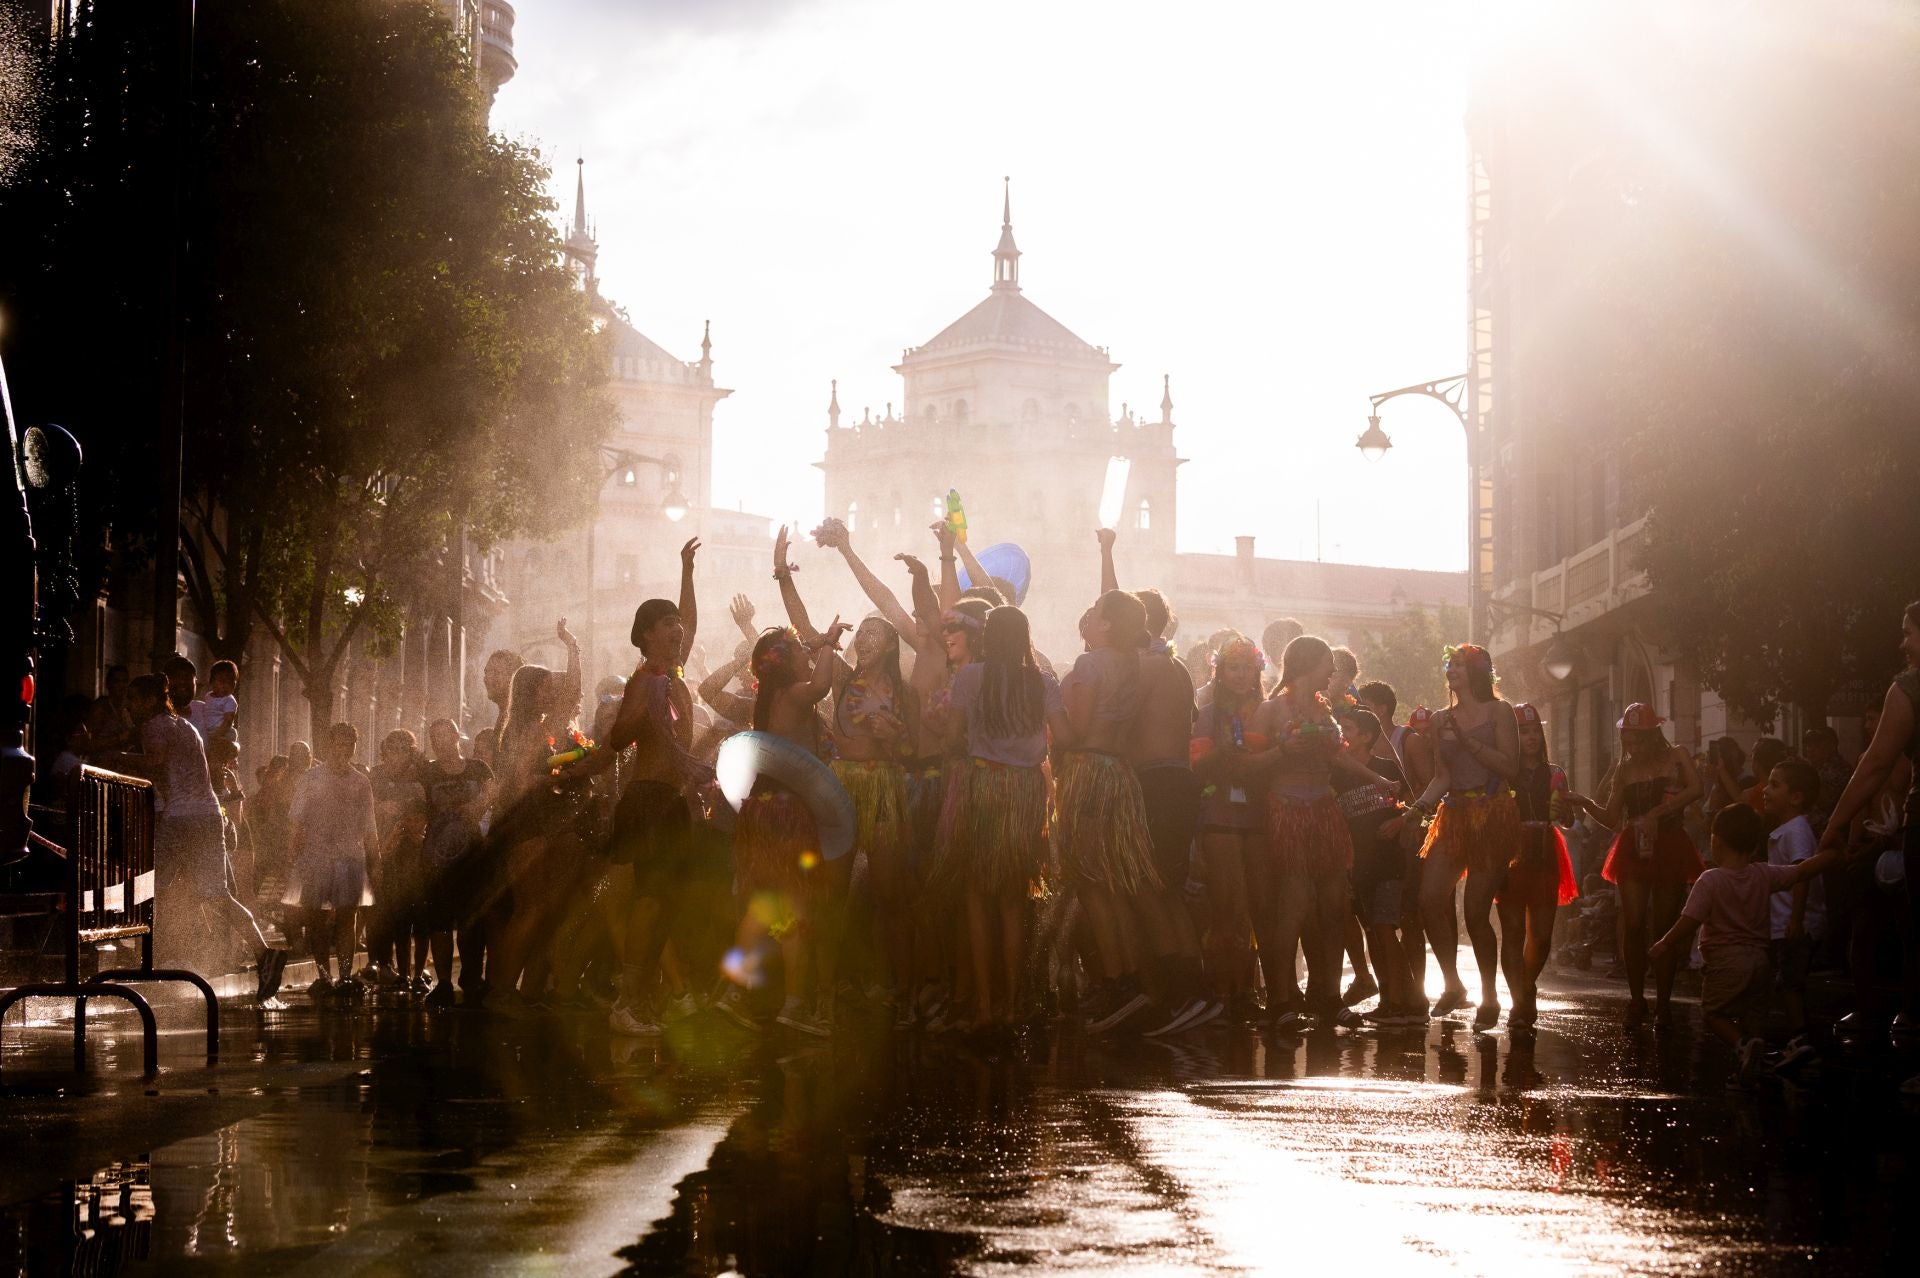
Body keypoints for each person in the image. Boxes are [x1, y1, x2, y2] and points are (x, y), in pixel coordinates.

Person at [564, 540, 707, 1036]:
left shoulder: (673, 671)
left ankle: (641, 998)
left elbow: (691, 615)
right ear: (646, 636)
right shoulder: (645, 679)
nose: (678, 628)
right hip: (646, 802)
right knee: (647, 900)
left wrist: (686, 569)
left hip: (670, 803)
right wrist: (580, 768)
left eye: (677, 624)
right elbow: (618, 739)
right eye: (667, 624)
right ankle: (627, 1002)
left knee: (665, 903)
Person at [121, 674, 285, 1002]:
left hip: (182, 819)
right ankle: (265, 954)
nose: (129, 706)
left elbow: (154, 762)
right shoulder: (184, 725)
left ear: (150, 700)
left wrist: (113, 759)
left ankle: (148, 959)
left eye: (134, 699)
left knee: (150, 886)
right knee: (216, 895)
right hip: (208, 817)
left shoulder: (154, 725)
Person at [1649, 804, 1839, 1086]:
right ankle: (1755, 1053)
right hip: (1762, 959)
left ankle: (1743, 1047)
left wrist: (1665, 942)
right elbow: (1800, 872)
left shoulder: (1710, 880)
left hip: (1726, 961)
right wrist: (1832, 855)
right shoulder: (1763, 874)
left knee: (1714, 1013)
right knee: (1755, 1013)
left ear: (1716, 841)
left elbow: (1690, 920)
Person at [944, 605, 1066, 1030]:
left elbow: (950, 737)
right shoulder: (1043, 681)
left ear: (988, 638)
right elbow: (1065, 738)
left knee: (978, 897)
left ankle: (981, 1007)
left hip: (982, 785)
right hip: (1025, 792)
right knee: (1014, 898)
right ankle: (1012, 1007)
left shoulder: (970, 676)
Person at [726, 621, 848, 1036]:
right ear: (784, 662)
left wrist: (816, 643)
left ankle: (735, 993)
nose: (807, 655)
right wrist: (829, 644)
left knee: (765, 908)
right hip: (787, 814)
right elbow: (821, 687)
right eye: (800, 650)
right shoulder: (794, 694)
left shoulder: (770, 699)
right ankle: (794, 1005)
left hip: (764, 811)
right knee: (795, 909)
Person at [1818, 601, 1920, 1074]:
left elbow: (1877, 764)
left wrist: (1837, 824)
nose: (1903, 643)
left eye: (1907, 632)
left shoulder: (1907, 689)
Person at [1055, 590, 1160, 1034]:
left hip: (1088, 770)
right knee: (1111, 882)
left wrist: (1047, 707)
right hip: (1118, 774)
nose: (1089, 619)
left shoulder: (1089, 664)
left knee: (1091, 882)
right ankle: (1128, 979)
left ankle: (1119, 983)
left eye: (1096, 614)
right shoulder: (1133, 663)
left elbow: (1074, 731)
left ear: (1108, 625)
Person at [1409, 644, 1522, 1032]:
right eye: (1448, 664)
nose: (1450, 669)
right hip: (1454, 813)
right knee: (1428, 898)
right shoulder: (1441, 718)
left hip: (1492, 813)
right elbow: (1442, 776)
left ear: (1477, 671)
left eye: (1457, 664)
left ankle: (1489, 996)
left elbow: (1511, 766)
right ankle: (1453, 983)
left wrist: (1469, 740)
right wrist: (1419, 807)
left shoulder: (1499, 711)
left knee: (1475, 912)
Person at [1248, 635, 1357, 1031]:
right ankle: (1281, 999)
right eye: (1328, 664)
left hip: (1326, 812)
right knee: (1292, 909)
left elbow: (1339, 756)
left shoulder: (1324, 707)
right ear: (1308, 664)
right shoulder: (1270, 709)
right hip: (1289, 811)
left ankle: (1328, 995)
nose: (1332, 673)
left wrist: (1378, 778)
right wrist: (1283, 751)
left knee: (1334, 908)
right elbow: (1248, 765)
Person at [1596, 702, 1706, 1028]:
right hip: (1633, 846)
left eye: (1639, 738)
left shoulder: (1677, 755)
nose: (1632, 746)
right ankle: (1635, 999)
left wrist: (1658, 813)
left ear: (1653, 734)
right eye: (1628, 739)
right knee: (1632, 924)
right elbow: (1611, 817)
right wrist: (1584, 802)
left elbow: (1696, 788)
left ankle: (1663, 1003)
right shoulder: (1624, 769)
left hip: (1670, 842)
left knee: (1665, 926)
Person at [1497, 703, 1592, 1037]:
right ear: (1513, 735)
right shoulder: (1502, 772)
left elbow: (1566, 821)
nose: (1531, 737)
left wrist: (1566, 811)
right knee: (1511, 933)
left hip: (1545, 851)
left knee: (1542, 934)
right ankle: (1520, 1001)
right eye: (1523, 731)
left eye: (1535, 730)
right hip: (1509, 851)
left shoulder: (1556, 772)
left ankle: (1526, 986)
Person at [1192, 635, 1272, 1020]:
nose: (1241, 675)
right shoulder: (1206, 714)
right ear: (1219, 672)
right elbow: (1194, 767)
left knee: (1257, 905)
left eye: (1247, 667)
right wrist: (1222, 755)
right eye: (1232, 667)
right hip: (1220, 815)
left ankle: (1248, 989)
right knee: (1226, 905)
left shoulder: (1269, 711)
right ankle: (1221, 989)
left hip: (1260, 818)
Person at [1334, 706, 1420, 1025]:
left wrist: (1400, 822)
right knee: (1374, 931)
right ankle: (1396, 998)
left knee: (1385, 928)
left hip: (1388, 862)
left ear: (1367, 737)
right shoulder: (1337, 774)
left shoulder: (1386, 767)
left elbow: (1413, 805)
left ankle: (1399, 1001)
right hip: (1358, 865)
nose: (1341, 733)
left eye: (1347, 728)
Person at [284, 722, 379, 999]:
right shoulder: (310, 779)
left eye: (350, 744)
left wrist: (376, 862)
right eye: (340, 743)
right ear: (330, 745)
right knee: (316, 917)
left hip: (350, 857)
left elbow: (370, 826)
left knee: (347, 917)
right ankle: (324, 976)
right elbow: (295, 820)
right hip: (315, 856)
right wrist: (291, 852)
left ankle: (346, 977)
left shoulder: (361, 781)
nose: (344, 750)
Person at [417, 718, 493, 1005]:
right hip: (437, 856)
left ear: (456, 736)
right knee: (439, 921)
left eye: (444, 735)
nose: (439, 742)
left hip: (472, 855)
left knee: (471, 920)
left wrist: (479, 804)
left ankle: (471, 978)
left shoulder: (477, 768)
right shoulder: (428, 772)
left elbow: (495, 791)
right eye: (433, 737)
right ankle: (444, 983)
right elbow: (417, 806)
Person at [1762, 757, 1824, 1072]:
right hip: (1782, 923)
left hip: (1792, 925)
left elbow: (1802, 875)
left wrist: (1796, 919)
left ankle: (1801, 1040)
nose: (1765, 790)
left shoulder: (1797, 829)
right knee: (1785, 981)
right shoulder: (1785, 829)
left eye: (1774, 785)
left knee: (1790, 983)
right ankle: (1795, 1039)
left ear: (1796, 797)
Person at [366, 729, 430, 991]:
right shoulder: (374, 776)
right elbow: (365, 809)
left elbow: (425, 808)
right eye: (393, 749)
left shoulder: (419, 776)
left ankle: (410, 971)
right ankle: (383, 964)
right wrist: (382, 808)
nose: (398, 755)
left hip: (412, 850)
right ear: (384, 751)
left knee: (413, 913)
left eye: (405, 750)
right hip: (380, 848)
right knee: (380, 911)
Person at [188, 659, 240, 745]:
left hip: (224, 732)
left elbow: (228, 721)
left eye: (230, 683)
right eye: (222, 681)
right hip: (211, 732)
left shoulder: (229, 700)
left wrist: (217, 735)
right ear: (211, 682)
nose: (225, 686)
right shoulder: (208, 696)